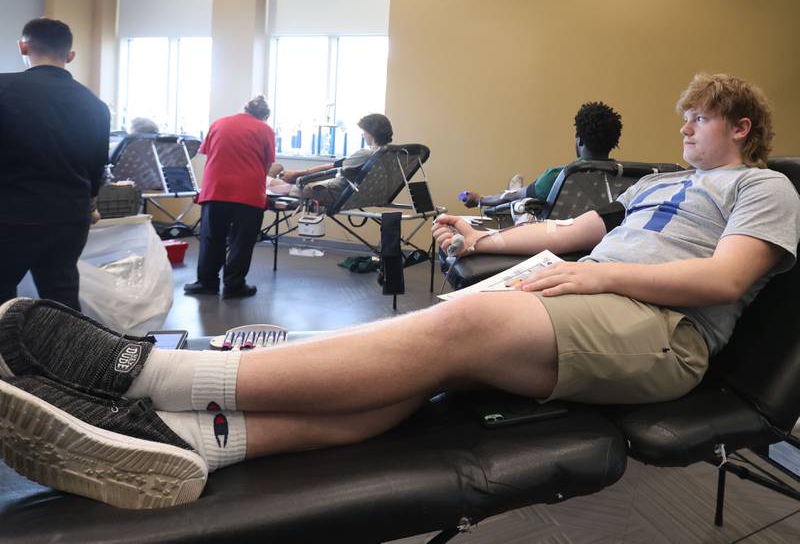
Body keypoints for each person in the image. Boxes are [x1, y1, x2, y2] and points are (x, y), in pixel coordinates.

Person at [0, 73, 798, 510]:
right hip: (590, 298)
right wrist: (482, 238)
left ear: (741, 128)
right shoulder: (654, 184)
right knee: (408, 362)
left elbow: (725, 278)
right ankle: (190, 438)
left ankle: (143, 374)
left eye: (700, 117)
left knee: (459, 328)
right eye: (684, 116)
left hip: (663, 332)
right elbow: (568, 231)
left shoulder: (764, 188)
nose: (685, 126)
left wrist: (599, 273)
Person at [0, 18, 110, 312]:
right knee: (62, 297)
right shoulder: (95, 105)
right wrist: (90, 206)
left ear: (23, 47)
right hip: (69, 217)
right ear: (70, 55)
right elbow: (97, 166)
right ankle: (70, 343)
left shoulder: (3, 88)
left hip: (11, 215)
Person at [183, 95, 275, 299]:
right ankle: (234, 285)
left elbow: (209, 154)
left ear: (245, 109)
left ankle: (206, 283)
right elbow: (267, 164)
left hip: (216, 188)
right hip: (249, 191)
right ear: (264, 116)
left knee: (211, 237)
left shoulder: (219, 123)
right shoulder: (265, 130)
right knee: (242, 240)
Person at [460, 101, 622, 209]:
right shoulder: (623, 179)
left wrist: (480, 199)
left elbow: (511, 198)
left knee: (521, 203)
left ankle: (514, 188)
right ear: (612, 143)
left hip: (554, 239)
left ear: (579, 141)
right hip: (601, 242)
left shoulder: (560, 176)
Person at [267, 113, 393, 206]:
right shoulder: (386, 153)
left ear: (370, 133)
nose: (363, 135)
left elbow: (334, 169)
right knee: (284, 177)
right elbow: (338, 168)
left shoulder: (366, 153)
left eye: (364, 131)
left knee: (280, 185)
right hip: (350, 193)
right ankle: (269, 177)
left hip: (331, 192)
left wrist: (299, 176)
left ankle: (265, 179)